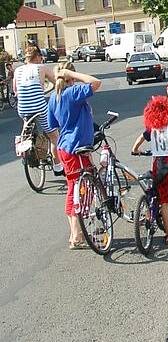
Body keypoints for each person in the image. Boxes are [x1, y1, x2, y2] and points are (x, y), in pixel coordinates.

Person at [46, 62, 102, 249]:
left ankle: (75, 233)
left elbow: (52, 123)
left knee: (74, 188)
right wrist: (73, 74)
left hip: (66, 148)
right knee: (79, 191)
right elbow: (96, 82)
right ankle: (76, 234)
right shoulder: (72, 93)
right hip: (76, 147)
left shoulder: (54, 97)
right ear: (70, 76)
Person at [132, 96, 168, 245]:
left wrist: (135, 149)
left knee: (164, 201)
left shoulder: (151, 130)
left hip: (158, 164)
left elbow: (139, 140)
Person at [13, 46, 63, 176]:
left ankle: (25, 143)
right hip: (39, 107)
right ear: (37, 57)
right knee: (54, 135)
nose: (42, 59)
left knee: (26, 126)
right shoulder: (41, 68)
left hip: (23, 108)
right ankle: (58, 166)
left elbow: (16, 91)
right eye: (41, 57)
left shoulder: (17, 70)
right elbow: (57, 83)